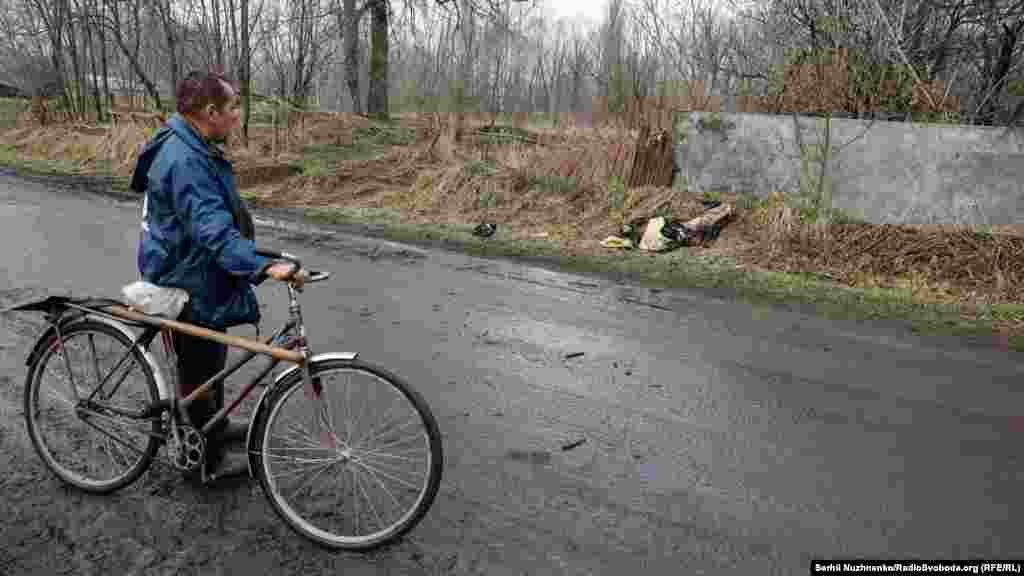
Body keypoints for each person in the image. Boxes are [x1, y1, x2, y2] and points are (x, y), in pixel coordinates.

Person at [129, 70, 297, 480]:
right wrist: (261, 265)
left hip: (193, 263)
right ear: (210, 112)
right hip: (182, 273)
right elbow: (213, 231)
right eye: (233, 107)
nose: (237, 115)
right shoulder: (184, 158)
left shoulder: (192, 143)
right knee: (199, 364)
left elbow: (213, 225)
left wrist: (255, 256)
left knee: (211, 356)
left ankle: (214, 427)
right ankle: (205, 459)